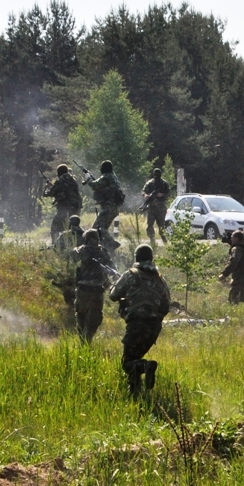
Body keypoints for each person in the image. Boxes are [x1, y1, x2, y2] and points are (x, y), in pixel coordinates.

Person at [109, 244, 171, 395]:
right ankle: (135, 394)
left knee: (127, 363)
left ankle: (145, 367)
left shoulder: (131, 274)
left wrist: (116, 283)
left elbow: (113, 295)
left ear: (136, 258)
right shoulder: (160, 279)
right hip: (154, 328)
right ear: (151, 258)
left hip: (136, 325)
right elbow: (166, 306)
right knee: (134, 358)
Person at [73, 228, 117, 343]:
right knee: (94, 319)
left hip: (83, 290)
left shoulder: (82, 250)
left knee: (81, 316)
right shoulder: (103, 251)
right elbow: (112, 268)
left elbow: (73, 257)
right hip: (97, 291)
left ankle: (83, 342)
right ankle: (87, 341)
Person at [84, 160, 122, 250]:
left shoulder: (106, 176)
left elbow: (94, 185)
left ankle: (112, 244)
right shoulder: (113, 177)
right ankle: (106, 249)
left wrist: (87, 177)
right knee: (102, 229)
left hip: (108, 208)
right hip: (114, 208)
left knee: (97, 228)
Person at [218, 230, 244, 309]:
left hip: (243, 279)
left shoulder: (236, 249)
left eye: (232, 237)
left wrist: (224, 274)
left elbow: (233, 262)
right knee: (240, 300)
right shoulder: (243, 248)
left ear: (236, 239)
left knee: (233, 299)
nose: (231, 239)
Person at [43, 164, 82, 243]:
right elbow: (65, 190)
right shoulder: (72, 179)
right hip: (76, 208)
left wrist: (47, 187)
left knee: (55, 227)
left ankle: (56, 245)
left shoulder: (60, 180)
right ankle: (75, 243)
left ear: (59, 172)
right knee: (71, 227)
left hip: (65, 209)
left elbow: (50, 193)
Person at [141, 168, 171, 245]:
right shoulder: (150, 183)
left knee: (161, 225)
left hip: (161, 208)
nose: (156, 176)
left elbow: (168, 193)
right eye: (155, 175)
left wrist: (162, 194)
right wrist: (146, 195)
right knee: (150, 225)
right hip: (151, 207)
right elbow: (143, 191)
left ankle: (165, 241)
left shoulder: (164, 184)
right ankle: (152, 241)